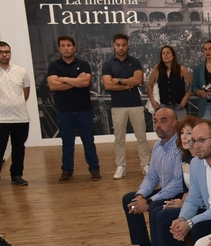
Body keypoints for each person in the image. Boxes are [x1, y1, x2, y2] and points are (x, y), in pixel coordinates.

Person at [119, 108, 184, 246]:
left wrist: (148, 202)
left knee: (154, 209)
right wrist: (140, 195)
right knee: (129, 199)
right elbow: (151, 177)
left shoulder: (179, 146)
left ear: (175, 122)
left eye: (163, 120)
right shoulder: (157, 146)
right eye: (155, 121)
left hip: (180, 192)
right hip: (165, 189)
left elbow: (177, 184)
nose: (158, 125)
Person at [139, 117, 197, 246]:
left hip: (200, 206)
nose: (185, 137)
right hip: (189, 200)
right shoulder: (186, 156)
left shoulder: (199, 158)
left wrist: (183, 202)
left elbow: (188, 188)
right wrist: (142, 195)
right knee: (157, 210)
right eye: (183, 133)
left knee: (162, 214)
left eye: (189, 133)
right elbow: (152, 177)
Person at [48, 36, 100, 182]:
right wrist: (76, 81)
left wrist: (62, 79)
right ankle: (67, 170)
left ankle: (94, 169)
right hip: (64, 110)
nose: (66, 48)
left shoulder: (83, 64)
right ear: (59, 49)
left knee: (88, 140)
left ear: (74, 47)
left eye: (69, 45)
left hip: (84, 109)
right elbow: (53, 85)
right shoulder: (54, 66)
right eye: (63, 46)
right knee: (67, 141)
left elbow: (85, 82)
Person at [102, 33, 149, 180]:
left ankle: (145, 164)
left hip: (135, 104)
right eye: (118, 45)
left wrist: (119, 80)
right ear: (114, 46)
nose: (121, 47)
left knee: (141, 137)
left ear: (128, 45)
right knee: (119, 138)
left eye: (123, 44)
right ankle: (120, 166)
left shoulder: (135, 62)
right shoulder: (108, 64)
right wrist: (127, 84)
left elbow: (139, 80)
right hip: (117, 106)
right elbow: (108, 84)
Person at [0, 41, 31, 186]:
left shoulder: (21, 71)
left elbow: (26, 92)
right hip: (1, 119)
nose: (5, 54)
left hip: (20, 117)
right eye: (1, 52)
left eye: (7, 51)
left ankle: (16, 175)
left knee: (18, 148)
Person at [145, 45, 192, 120]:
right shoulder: (157, 69)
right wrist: (152, 100)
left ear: (173, 56)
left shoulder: (181, 69)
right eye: (163, 53)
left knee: (181, 129)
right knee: (165, 130)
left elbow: (193, 84)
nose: (165, 55)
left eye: (168, 53)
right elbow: (149, 85)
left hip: (179, 107)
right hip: (163, 107)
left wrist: (186, 97)